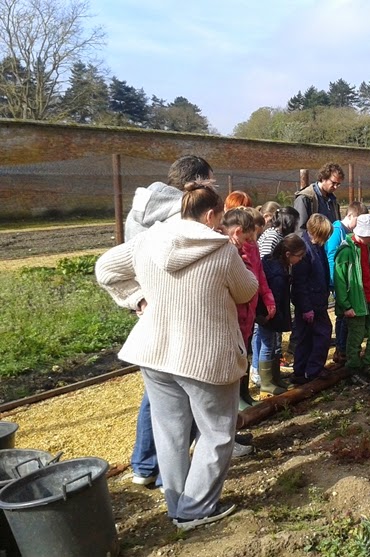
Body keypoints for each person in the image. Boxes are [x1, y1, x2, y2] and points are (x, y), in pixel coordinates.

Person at [96, 181, 258, 530]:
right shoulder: (221, 248)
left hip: (155, 353)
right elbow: (246, 291)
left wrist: (137, 298)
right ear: (211, 215)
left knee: (170, 431)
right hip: (205, 357)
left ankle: (177, 505)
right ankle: (195, 509)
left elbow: (105, 268)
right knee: (217, 432)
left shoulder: (148, 239)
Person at [125, 155, 212, 487]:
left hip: (154, 310)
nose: (212, 189)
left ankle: (145, 465)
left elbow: (122, 260)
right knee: (181, 395)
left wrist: (138, 297)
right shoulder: (183, 214)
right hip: (181, 312)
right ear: (193, 184)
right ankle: (169, 475)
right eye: (209, 182)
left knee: (159, 392)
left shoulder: (139, 210)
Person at [221, 207, 277, 405]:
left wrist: (267, 298)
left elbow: (259, 274)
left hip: (249, 309)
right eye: (249, 238)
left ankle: (244, 393)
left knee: (244, 351)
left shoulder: (252, 247)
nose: (252, 241)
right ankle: (235, 399)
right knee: (234, 355)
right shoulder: (227, 250)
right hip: (234, 311)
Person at [251, 233, 306, 397]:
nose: (301, 259)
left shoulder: (276, 264)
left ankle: (275, 377)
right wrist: (273, 316)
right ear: (288, 254)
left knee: (274, 344)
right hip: (268, 314)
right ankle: (266, 382)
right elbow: (275, 296)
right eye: (299, 256)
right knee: (268, 344)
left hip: (272, 313)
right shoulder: (277, 273)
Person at [333, 214, 370, 380]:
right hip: (355, 302)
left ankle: (369, 364)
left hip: (369, 298)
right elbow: (340, 281)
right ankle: (354, 370)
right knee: (355, 337)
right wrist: (346, 305)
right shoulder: (345, 251)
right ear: (365, 233)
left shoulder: (366, 247)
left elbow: (369, 268)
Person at [289, 213, 333, 384]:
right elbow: (299, 283)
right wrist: (306, 308)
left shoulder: (316, 246)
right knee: (321, 334)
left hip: (317, 299)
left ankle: (302, 371)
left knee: (307, 336)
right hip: (310, 302)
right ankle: (312, 370)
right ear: (315, 233)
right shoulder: (304, 250)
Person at [325, 201, 368, 364]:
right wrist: (335, 281)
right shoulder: (337, 231)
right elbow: (331, 257)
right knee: (343, 315)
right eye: (359, 221)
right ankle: (341, 349)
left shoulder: (347, 231)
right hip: (338, 281)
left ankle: (345, 348)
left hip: (347, 283)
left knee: (346, 316)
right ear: (350, 215)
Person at [294, 163, 344, 231]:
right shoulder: (305, 198)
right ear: (323, 178)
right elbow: (300, 230)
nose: (335, 187)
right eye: (333, 183)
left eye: (338, 184)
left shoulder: (333, 200)